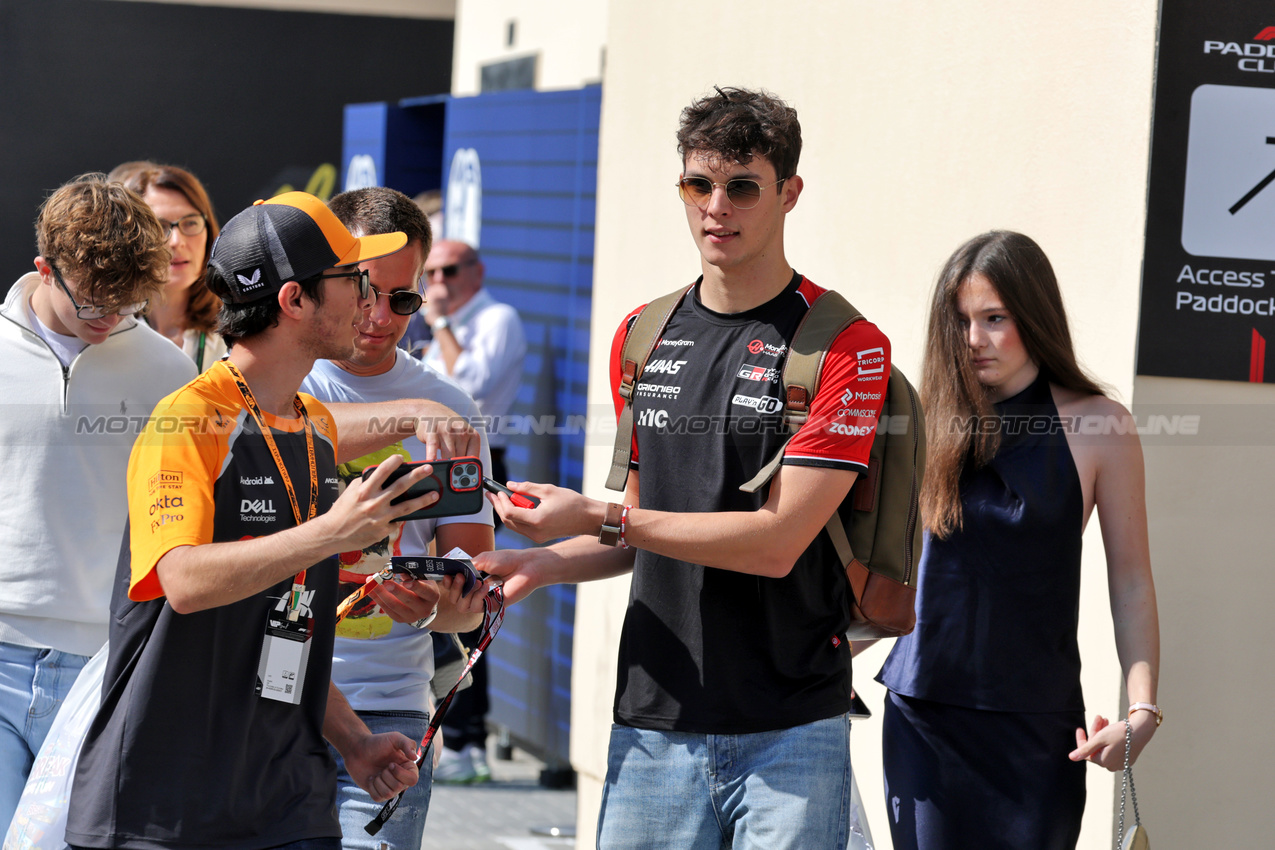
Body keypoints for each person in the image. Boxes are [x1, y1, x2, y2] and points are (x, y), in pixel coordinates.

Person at [477, 86, 892, 849]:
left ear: (788, 193)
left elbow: (775, 543)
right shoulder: (640, 334)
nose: (715, 208)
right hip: (653, 722)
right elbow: (637, 535)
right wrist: (533, 562)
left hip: (791, 725)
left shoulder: (847, 344)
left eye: (741, 187)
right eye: (697, 185)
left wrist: (599, 515)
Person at [66, 191, 484, 850]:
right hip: (167, 796)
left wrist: (357, 743)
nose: (370, 305)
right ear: (294, 301)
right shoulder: (189, 418)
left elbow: (287, 620)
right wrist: (333, 533)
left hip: (284, 794)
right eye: (353, 282)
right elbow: (182, 581)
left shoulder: (312, 426)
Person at [875, 231, 1161, 850]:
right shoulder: (929, 422)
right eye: (960, 322)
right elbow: (893, 569)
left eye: (994, 318)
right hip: (924, 716)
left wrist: (1142, 711)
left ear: (1033, 315)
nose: (973, 340)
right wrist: (826, 656)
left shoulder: (1100, 425)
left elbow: (1131, 580)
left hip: (1038, 728)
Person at [300, 185, 494, 849]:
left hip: (388, 709)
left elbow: (476, 597)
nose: (381, 316)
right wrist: (407, 415)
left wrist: (437, 606)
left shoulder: (451, 407)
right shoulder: (282, 381)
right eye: (363, 291)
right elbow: (279, 433)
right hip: (268, 703)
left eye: (404, 299)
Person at [0, 173, 197, 827]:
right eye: (92, 305)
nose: (109, 322)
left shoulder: (169, 372)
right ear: (43, 269)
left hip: (106, 664)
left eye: (129, 308)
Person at [420, 238, 526, 783]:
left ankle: (470, 739)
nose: (438, 282)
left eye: (449, 270)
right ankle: (453, 733)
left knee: (469, 588)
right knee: (429, 590)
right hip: (441, 459)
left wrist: (437, 324)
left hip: (480, 457)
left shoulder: (496, 318)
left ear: (476, 271)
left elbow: (466, 393)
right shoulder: (445, 325)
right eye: (430, 272)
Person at [108, 161, 228, 372]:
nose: (176, 241)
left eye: (190, 223)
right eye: (159, 226)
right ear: (129, 238)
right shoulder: (104, 331)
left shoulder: (238, 332)